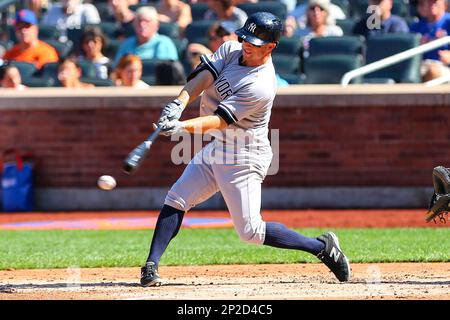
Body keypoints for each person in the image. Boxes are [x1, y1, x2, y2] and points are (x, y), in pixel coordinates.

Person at [139, 12, 351, 287]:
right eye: (245, 37)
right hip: (218, 147)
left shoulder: (261, 85)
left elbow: (220, 120)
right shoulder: (231, 49)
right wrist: (180, 101)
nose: (245, 44)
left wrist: (180, 128)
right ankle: (151, 265)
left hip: (244, 157)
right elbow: (203, 77)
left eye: (253, 41)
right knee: (177, 198)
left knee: (250, 231)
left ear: (271, 47)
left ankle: (322, 246)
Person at [113, 6, 179, 67]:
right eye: (139, 21)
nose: (142, 25)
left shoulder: (164, 43)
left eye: (147, 21)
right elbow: (117, 69)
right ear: (134, 24)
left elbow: (168, 72)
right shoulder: (127, 44)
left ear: (156, 25)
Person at [410, 0, 450, 81]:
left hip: (442, 67)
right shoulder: (417, 26)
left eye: (435, 1)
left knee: (432, 71)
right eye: (428, 1)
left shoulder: (447, 21)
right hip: (421, 66)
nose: (431, 4)